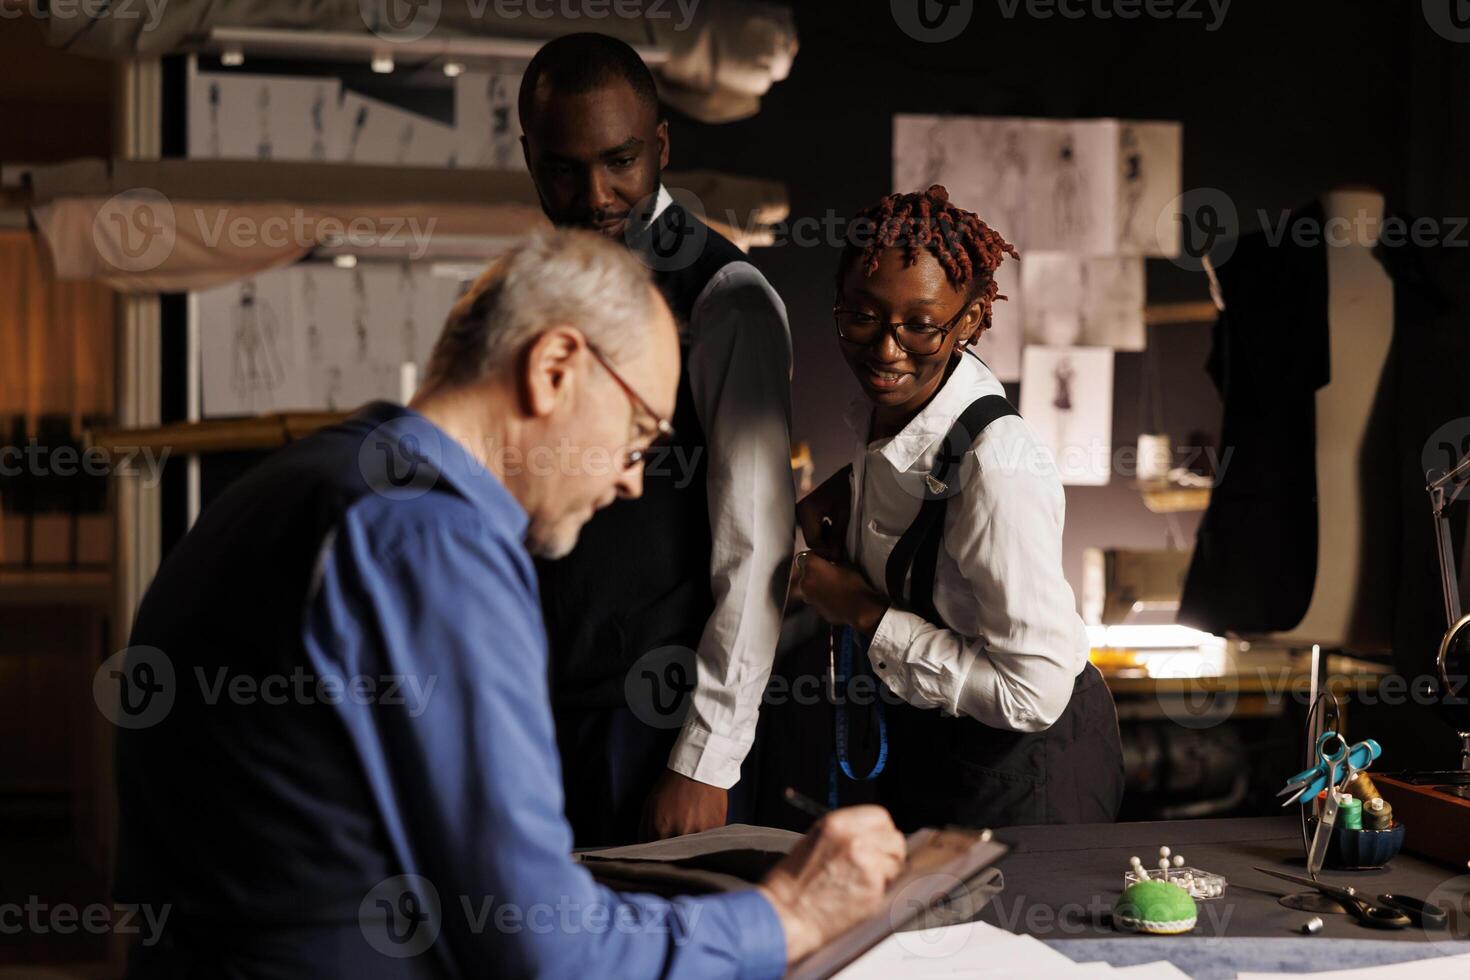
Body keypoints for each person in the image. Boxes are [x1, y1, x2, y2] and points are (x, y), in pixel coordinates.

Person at [110, 231, 905, 977]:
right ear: (555, 365)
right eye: (638, 433)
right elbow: (540, 949)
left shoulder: (293, 486)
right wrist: (786, 916)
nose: (633, 479)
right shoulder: (428, 543)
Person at [518, 34, 795, 844]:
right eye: (564, 168)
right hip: (542, 719)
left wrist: (702, 762)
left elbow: (759, 550)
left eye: (621, 161)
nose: (596, 194)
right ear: (530, 156)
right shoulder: (535, 291)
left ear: (662, 147)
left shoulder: (728, 300)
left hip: (657, 734)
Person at [793, 185, 1125, 830]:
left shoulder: (996, 467)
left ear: (969, 321)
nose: (886, 350)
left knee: (1018, 932)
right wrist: (852, 493)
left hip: (1032, 767)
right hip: (943, 751)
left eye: (920, 325)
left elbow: (1031, 695)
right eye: (861, 317)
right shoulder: (896, 420)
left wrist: (862, 613)